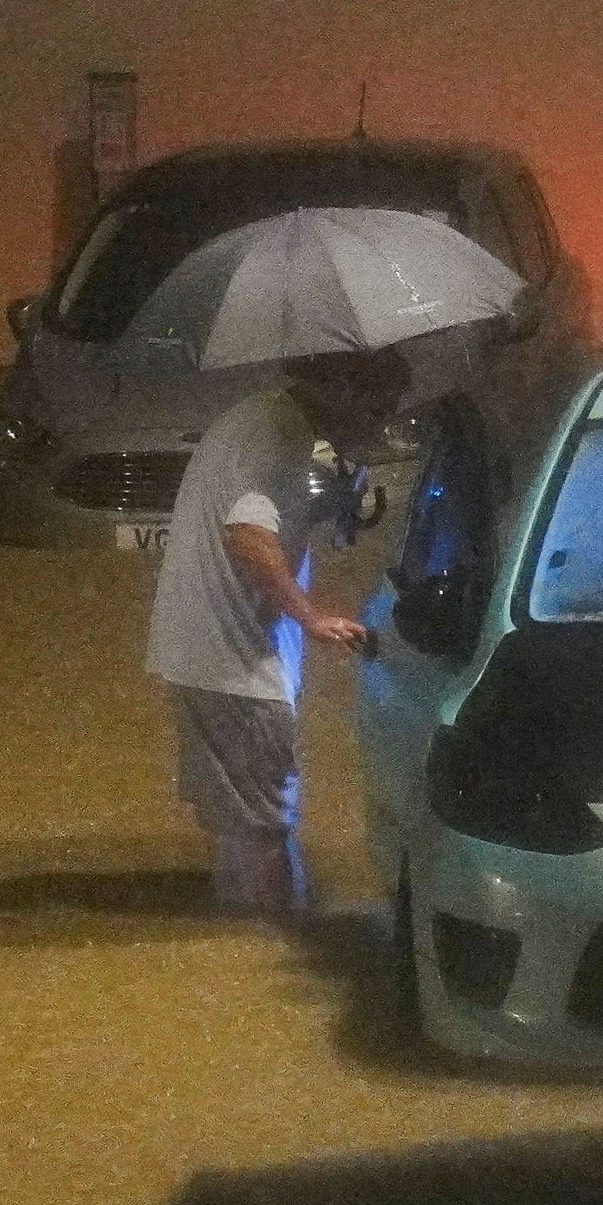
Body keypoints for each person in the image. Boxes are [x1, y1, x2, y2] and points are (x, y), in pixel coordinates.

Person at [145, 341, 412, 916]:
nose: (381, 420)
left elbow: (285, 514)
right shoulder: (281, 442)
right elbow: (246, 533)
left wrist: (341, 485)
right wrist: (311, 616)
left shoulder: (267, 418)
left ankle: (236, 933)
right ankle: (274, 935)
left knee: (240, 821)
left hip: (199, 651)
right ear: (339, 392)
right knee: (268, 823)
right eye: (375, 408)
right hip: (237, 663)